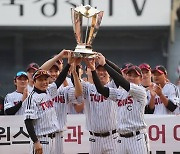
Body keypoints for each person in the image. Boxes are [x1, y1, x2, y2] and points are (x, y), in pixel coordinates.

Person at [87, 53, 149, 154]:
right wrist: (93, 70)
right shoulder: (120, 93)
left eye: (135, 76)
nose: (131, 77)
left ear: (141, 79)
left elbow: (122, 81)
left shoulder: (140, 91)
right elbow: (101, 90)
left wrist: (105, 63)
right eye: (129, 75)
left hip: (137, 138)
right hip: (121, 139)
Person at [24, 50, 81, 154]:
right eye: (40, 80)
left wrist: (68, 64)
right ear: (34, 81)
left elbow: (59, 80)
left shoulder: (49, 90)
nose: (44, 82)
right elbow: (28, 122)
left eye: (45, 79)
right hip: (40, 139)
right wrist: (36, 142)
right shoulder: (32, 97)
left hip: (53, 139)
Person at [79, 58, 119, 154]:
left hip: (112, 137)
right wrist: (75, 62)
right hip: (94, 138)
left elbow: (119, 73)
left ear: (109, 72)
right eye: (98, 70)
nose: (101, 72)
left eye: (104, 70)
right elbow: (75, 80)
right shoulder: (88, 87)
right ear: (93, 71)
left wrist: (105, 61)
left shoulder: (113, 86)